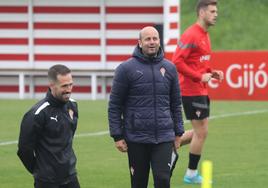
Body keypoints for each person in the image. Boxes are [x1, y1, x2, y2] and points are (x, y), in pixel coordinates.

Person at [108, 26, 185, 188]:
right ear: (140, 43)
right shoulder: (125, 69)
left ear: (159, 41)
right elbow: (115, 104)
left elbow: (176, 103)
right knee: (138, 183)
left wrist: (178, 132)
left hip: (164, 136)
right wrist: (117, 135)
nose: (152, 42)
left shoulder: (170, 68)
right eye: (147, 39)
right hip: (136, 137)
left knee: (163, 179)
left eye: (155, 39)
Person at [172, 0, 224, 184]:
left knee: (199, 132)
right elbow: (177, 61)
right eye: (212, 11)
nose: (215, 14)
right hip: (190, 90)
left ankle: (169, 146)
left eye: (216, 11)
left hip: (200, 89)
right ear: (202, 13)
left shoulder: (205, 35)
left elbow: (201, 62)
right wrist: (198, 76)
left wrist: (212, 73)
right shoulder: (191, 34)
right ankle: (191, 174)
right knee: (201, 132)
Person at [17, 64, 80, 188]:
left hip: (70, 176)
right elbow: (24, 150)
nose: (69, 89)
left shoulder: (73, 106)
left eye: (70, 84)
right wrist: (39, 170)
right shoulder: (37, 113)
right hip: (47, 181)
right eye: (64, 86)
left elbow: (68, 138)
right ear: (52, 86)